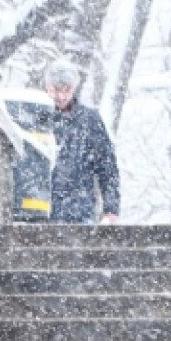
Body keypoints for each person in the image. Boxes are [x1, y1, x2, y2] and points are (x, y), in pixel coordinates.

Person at [43, 64, 120, 226]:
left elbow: (107, 165)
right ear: (47, 87)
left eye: (67, 90)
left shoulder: (89, 120)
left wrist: (111, 208)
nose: (62, 96)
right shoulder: (38, 117)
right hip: (41, 209)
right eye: (56, 90)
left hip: (80, 211)